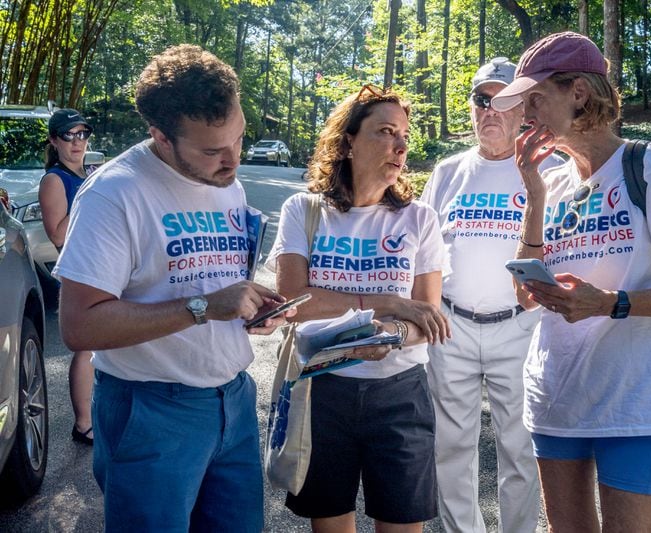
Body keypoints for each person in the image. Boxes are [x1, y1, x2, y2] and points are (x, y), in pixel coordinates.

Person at [54, 44, 291, 532]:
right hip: (151, 411)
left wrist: (250, 303)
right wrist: (204, 306)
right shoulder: (113, 194)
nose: (232, 161)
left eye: (239, 139)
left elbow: (208, 281)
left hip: (235, 400)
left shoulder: (229, 181)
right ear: (160, 136)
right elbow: (79, 325)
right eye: (212, 150)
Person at [489, 31, 651, 531]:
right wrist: (535, 194)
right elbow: (525, 298)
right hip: (556, 395)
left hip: (635, 403)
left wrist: (609, 303)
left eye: (536, 99)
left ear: (579, 93)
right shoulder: (556, 182)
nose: (526, 115)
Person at [268, 84, 450, 533]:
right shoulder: (304, 210)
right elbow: (294, 300)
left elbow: (427, 319)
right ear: (348, 139)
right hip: (321, 391)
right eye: (386, 132)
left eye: (404, 135)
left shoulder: (418, 218)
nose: (401, 145)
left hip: (400, 393)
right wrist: (385, 305)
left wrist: (390, 337)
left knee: (402, 524)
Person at [420, 57, 564, 532]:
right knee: (451, 447)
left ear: (525, 109)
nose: (490, 111)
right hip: (452, 326)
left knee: (521, 450)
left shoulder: (553, 171)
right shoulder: (447, 172)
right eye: (482, 100)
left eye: (503, 101)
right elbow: (424, 251)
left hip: (521, 327)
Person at [38, 108, 96, 445]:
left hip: (102, 265)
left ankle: (100, 416)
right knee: (86, 348)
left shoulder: (87, 173)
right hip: (79, 270)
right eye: (68, 135)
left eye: (82, 134)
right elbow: (58, 234)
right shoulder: (54, 179)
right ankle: (83, 424)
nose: (77, 142)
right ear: (54, 140)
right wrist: (89, 196)